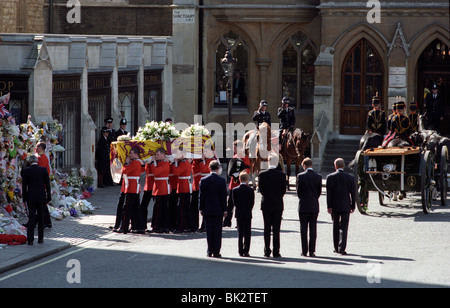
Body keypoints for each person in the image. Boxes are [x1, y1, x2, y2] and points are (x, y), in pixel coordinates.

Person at [258, 153, 286, 257]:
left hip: (266, 203)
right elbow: (283, 190)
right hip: (278, 203)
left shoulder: (262, 174)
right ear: (277, 162)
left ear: (268, 162)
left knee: (266, 228)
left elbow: (261, 190)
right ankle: (276, 251)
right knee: (276, 229)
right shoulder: (282, 175)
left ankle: (267, 250)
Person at [326, 158, 355, 255]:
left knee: (335, 226)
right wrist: (353, 205)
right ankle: (342, 248)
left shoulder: (330, 177)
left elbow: (328, 194)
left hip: (334, 205)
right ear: (344, 166)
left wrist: (329, 206)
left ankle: (336, 247)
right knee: (344, 227)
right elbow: (353, 193)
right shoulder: (350, 178)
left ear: (335, 166)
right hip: (346, 205)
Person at [199, 160, 228, 257]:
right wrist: (225, 209)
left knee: (209, 231)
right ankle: (216, 251)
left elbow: (202, 196)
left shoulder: (204, 180)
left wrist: (201, 208)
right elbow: (223, 197)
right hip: (218, 209)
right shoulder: (221, 181)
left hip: (207, 209)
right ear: (218, 168)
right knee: (217, 231)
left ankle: (209, 250)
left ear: (209, 168)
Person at [21, 155, 51, 245]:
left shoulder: (26, 171)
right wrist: (48, 196)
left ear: (30, 162)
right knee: (41, 217)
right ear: (37, 161)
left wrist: (24, 198)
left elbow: (24, 186)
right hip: (41, 196)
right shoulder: (43, 170)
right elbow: (47, 185)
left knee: (31, 217)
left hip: (31, 197)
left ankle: (30, 240)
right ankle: (40, 238)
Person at [296, 157, 322, 257]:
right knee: (313, 229)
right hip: (314, 205)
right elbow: (319, 192)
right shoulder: (318, 176)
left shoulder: (300, 176)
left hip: (303, 205)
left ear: (304, 166)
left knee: (303, 229)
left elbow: (298, 192)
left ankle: (304, 251)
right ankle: (312, 250)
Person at [224, 140, 250, 227]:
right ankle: (227, 221)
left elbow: (247, 169)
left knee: (240, 204)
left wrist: (239, 174)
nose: (233, 148)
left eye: (234, 147)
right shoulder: (235, 156)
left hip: (240, 183)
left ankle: (239, 222)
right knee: (230, 204)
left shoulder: (244, 157)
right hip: (233, 183)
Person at [120, 148, 145, 234]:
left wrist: (126, 163)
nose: (130, 155)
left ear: (136, 154)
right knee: (136, 208)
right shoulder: (138, 162)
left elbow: (125, 171)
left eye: (131, 153)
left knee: (127, 208)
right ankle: (139, 227)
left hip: (132, 187)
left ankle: (124, 227)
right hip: (134, 187)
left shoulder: (135, 162)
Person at [230, 172, 255, 257]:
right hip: (247, 213)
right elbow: (252, 202)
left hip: (239, 213)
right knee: (247, 233)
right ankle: (246, 250)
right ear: (247, 180)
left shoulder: (235, 190)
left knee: (240, 233)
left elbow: (235, 203)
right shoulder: (250, 190)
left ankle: (240, 250)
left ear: (239, 179)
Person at [150, 148, 171, 233]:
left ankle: (157, 226)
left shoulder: (165, 163)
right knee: (161, 208)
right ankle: (162, 226)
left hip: (162, 188)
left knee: (158, 208)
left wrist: (153, 163)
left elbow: (156, 172)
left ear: (163, 155)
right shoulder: (161, 162)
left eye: (158, 154)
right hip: (159, 186)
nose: (156, 156)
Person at [171, 151, 193, 232]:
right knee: (186, 208)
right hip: (183, 186)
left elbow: (176, 172)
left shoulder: (184, 163)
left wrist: (175, 163)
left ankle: (180, 227)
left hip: (184, 187)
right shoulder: (185, 161)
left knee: (181, 208)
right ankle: (190, 226)